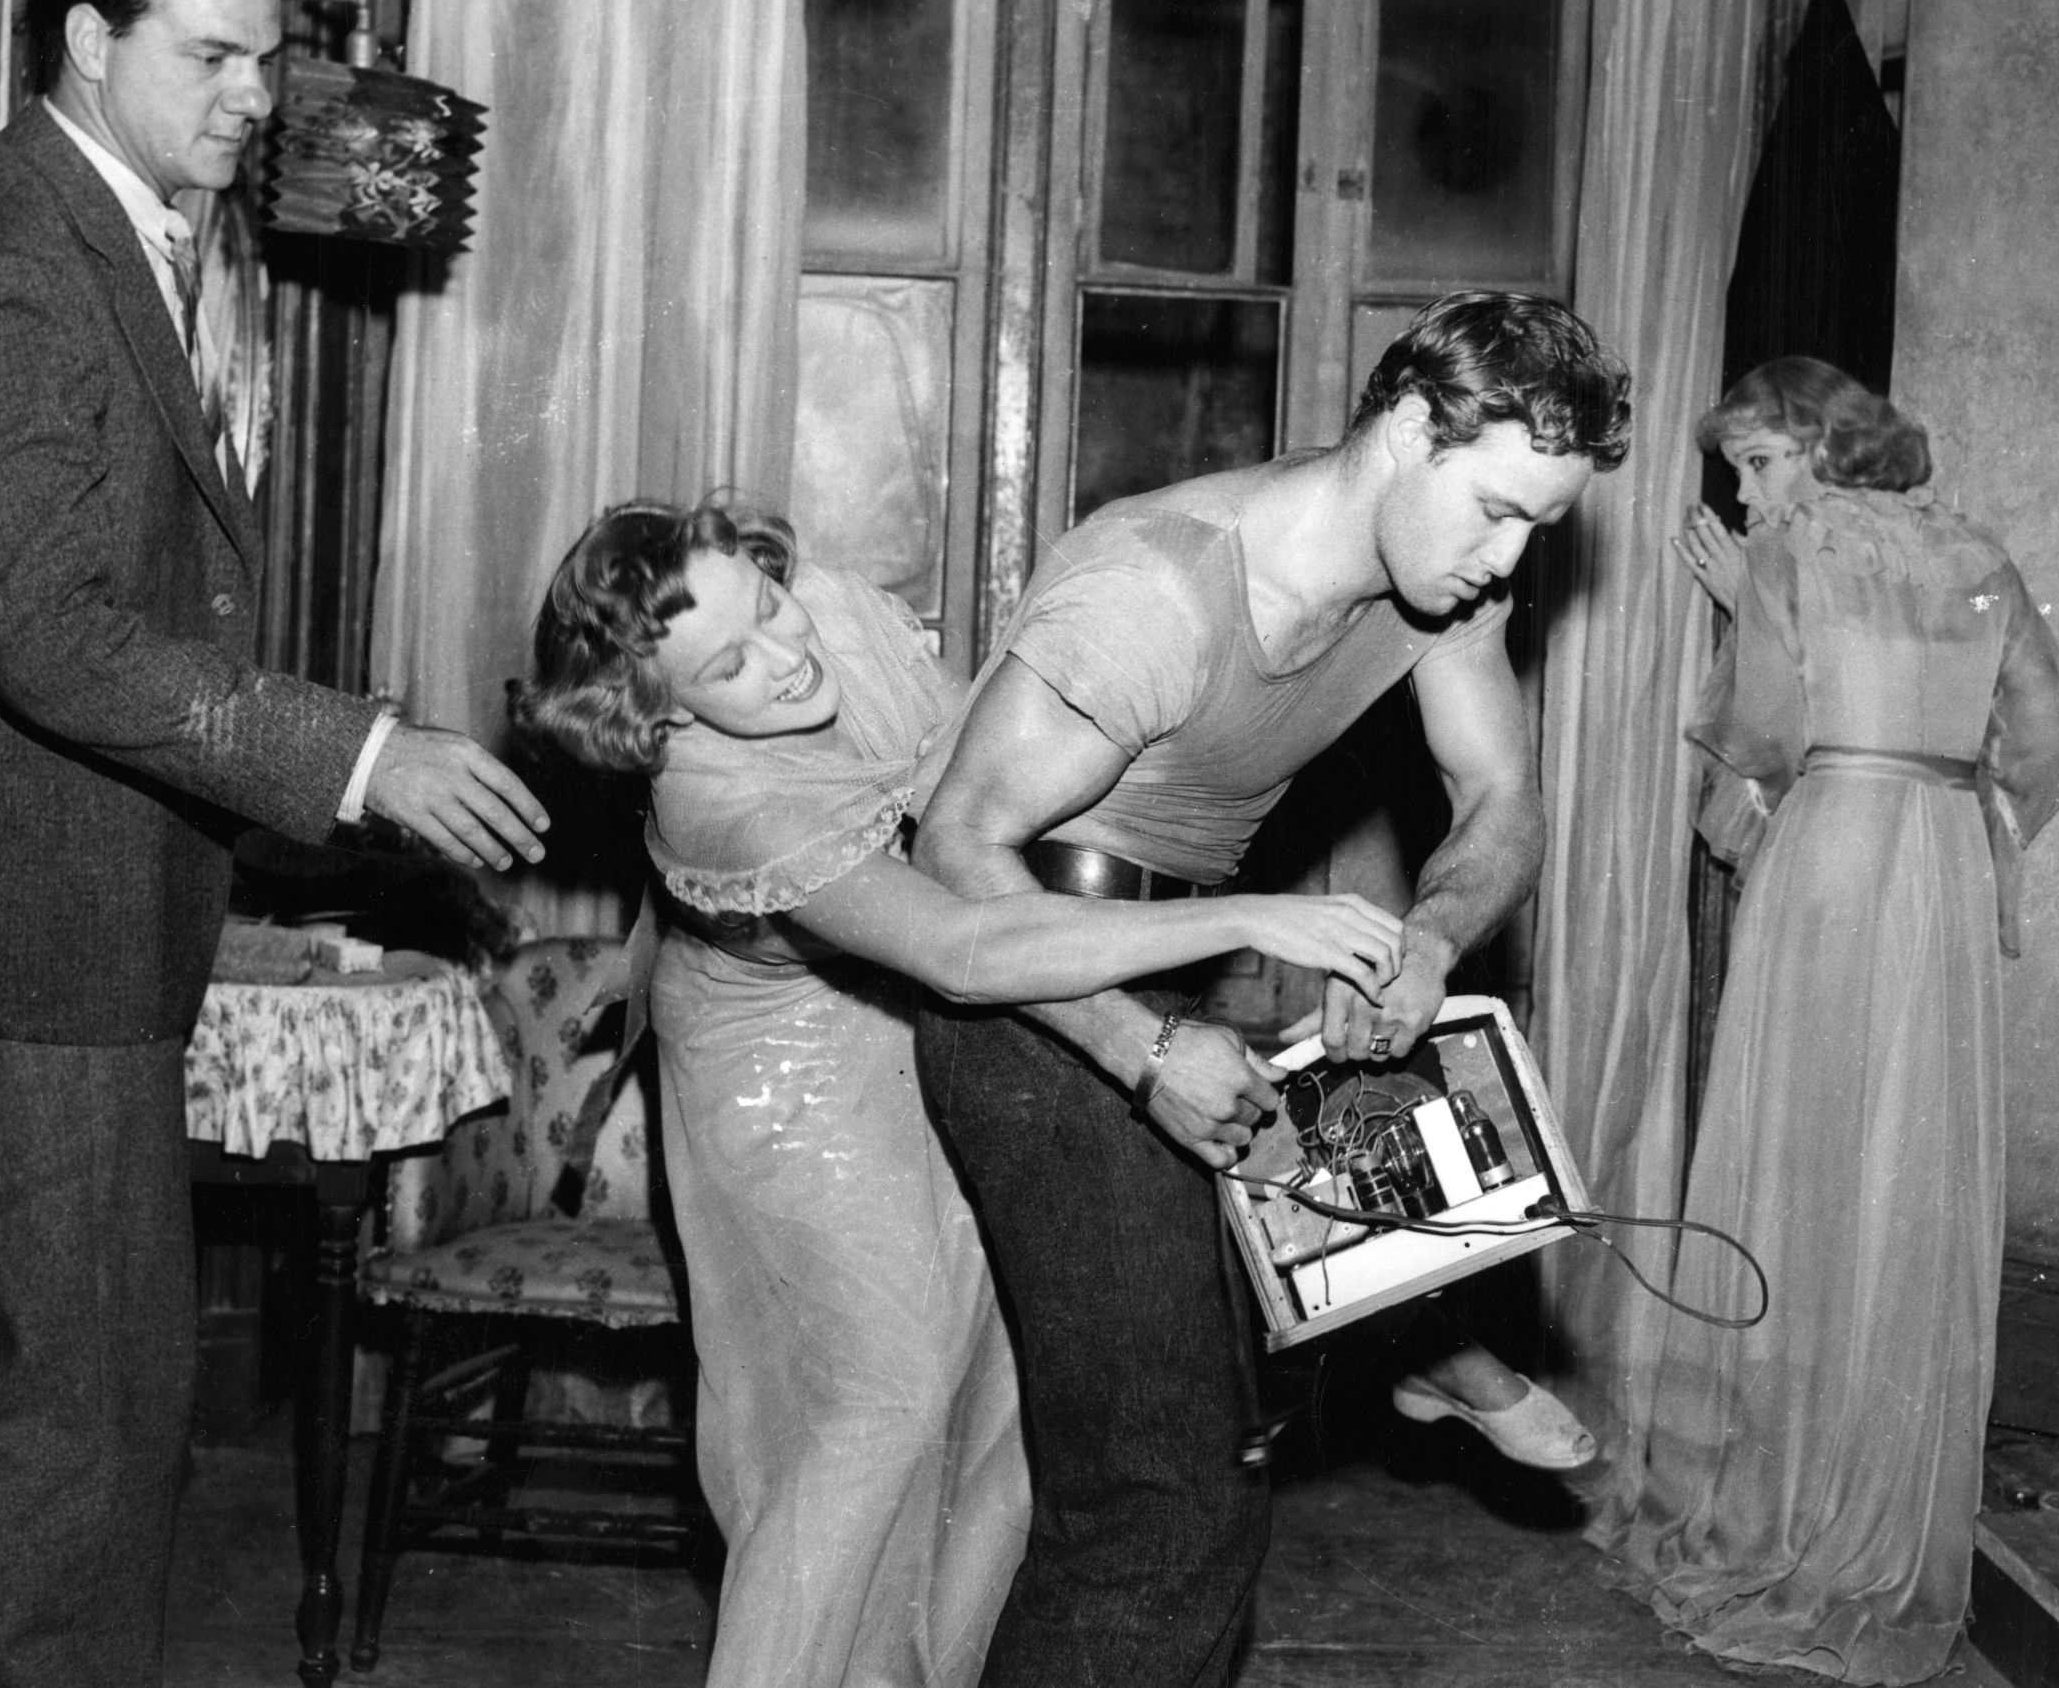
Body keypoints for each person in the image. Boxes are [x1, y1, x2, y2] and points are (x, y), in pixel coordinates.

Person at [0, 0, 552, 1688]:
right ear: (89, 42)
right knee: (87, 1407)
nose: (255, 97)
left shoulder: (90, 225)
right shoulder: (20, 262)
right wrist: (353, 751)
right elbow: (46, 633)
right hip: (21, 927)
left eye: (265, 58)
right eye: (212, 55)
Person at [509, 500, 1409, 1688]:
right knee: (874, 1402)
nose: (789, 654)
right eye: (729, 665)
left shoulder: (818, 611)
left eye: (770, 605)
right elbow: (965, 947)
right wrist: (1250, 916)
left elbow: (975, 798)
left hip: (908, 1001)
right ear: (657, 712)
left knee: (996, 1372)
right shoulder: (730, 804)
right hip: (781, 1060)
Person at [911, 290, 1633, 1688]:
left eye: (1540, 526)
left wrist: (1429, 936)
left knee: (1195, 1465)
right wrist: (1135, 1047)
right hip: (1034, 1003)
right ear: (1410, 426)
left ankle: (1421, 1350)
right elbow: (956, 847)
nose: (1508, 558)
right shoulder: (1159, 584)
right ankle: (1424, 1358)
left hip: (1190, 967)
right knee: (1159, 1502)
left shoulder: (1442, 584)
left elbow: (1499, 799)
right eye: (1494, 509)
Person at [1587, 356, 2059, 1683]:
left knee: (1793, 1165)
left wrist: (1743, 612)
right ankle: (1880, 1504)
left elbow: (1756, 735)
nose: (1743, 493)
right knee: (1899, 1178)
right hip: (1934, 867)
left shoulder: (1790, 553)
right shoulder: (1975, 552)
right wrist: (1975, 829)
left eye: (1753, 461)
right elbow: (2043, 743)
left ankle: (1775, 1504)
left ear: (1810, 449)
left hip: (1833, 852)